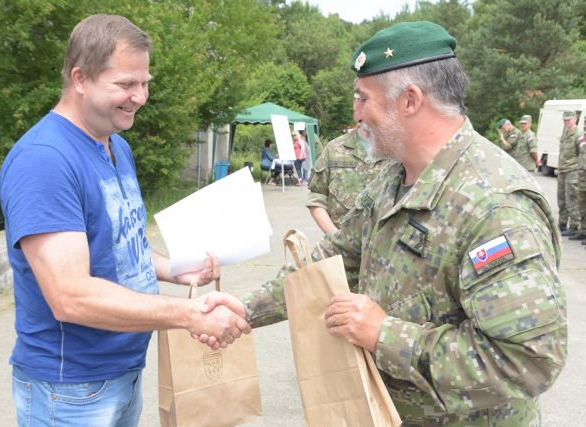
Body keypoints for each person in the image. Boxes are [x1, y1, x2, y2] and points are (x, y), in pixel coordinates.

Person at [203, 21, 567, 425]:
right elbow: (335, 259)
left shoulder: (493, 205)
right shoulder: (394, 176)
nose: (357, 114)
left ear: (410, 100)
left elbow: (527, 360)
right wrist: (245, 308)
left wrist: (384, 335)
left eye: (363, 99)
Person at [0, 14, 250, 426]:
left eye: (145, 82)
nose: (141, 97)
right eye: (126, 84)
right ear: (80, 78)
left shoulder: (116, 145)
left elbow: (122, 245)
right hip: (70, 390)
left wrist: (176, 269)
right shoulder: (44, 160)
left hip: (123, 374)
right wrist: (188, 314)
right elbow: (70, 295)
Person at [307, 93, 385, 235]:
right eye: (359, 100)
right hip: (341, 246)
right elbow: (317, 199)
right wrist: (336, 238)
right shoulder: (333, 150)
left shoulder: (402, 153)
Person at [557, 111, 581, 236]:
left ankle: (574, 226)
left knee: (572, 199)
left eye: (569, 119)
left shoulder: (578, 134)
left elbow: (581, 154)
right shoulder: (564, 131)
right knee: (561, 199)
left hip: (572, 171)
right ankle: (562, 223)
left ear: (575, 119)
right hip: (562, 170)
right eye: (565, 120)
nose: (566, 122)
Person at [572, 120, 586, 242]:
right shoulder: (582, 139)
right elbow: (578, 155)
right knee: (582, 205)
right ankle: (583, 231)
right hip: (582, 177)